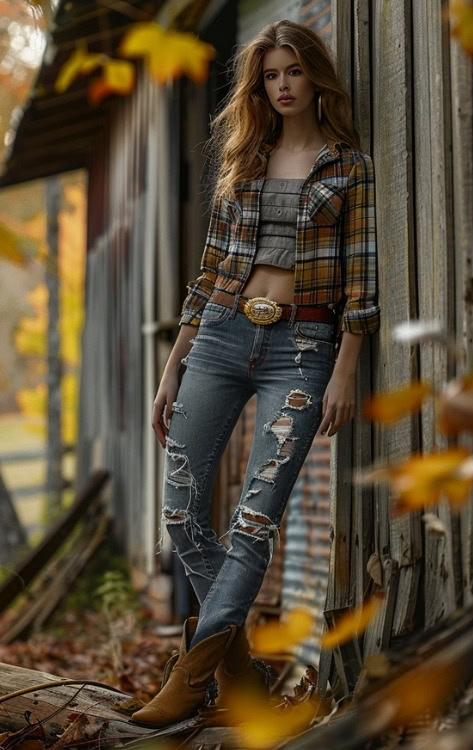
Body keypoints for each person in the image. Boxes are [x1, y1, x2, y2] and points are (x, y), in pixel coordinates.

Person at [129, 18, 380, 729]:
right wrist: (170, 369)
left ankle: (191, 678)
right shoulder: (241, 160)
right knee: (180, 514)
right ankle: (242, 679)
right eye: (270, 75)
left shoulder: (347, 166)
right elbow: (209, 274)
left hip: (301, 348)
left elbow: (361, 282)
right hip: (217, 338)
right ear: (258, 85)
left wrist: (344, 370)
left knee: (251, 521)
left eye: (293, 72)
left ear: (315, 77)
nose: (282, 86)